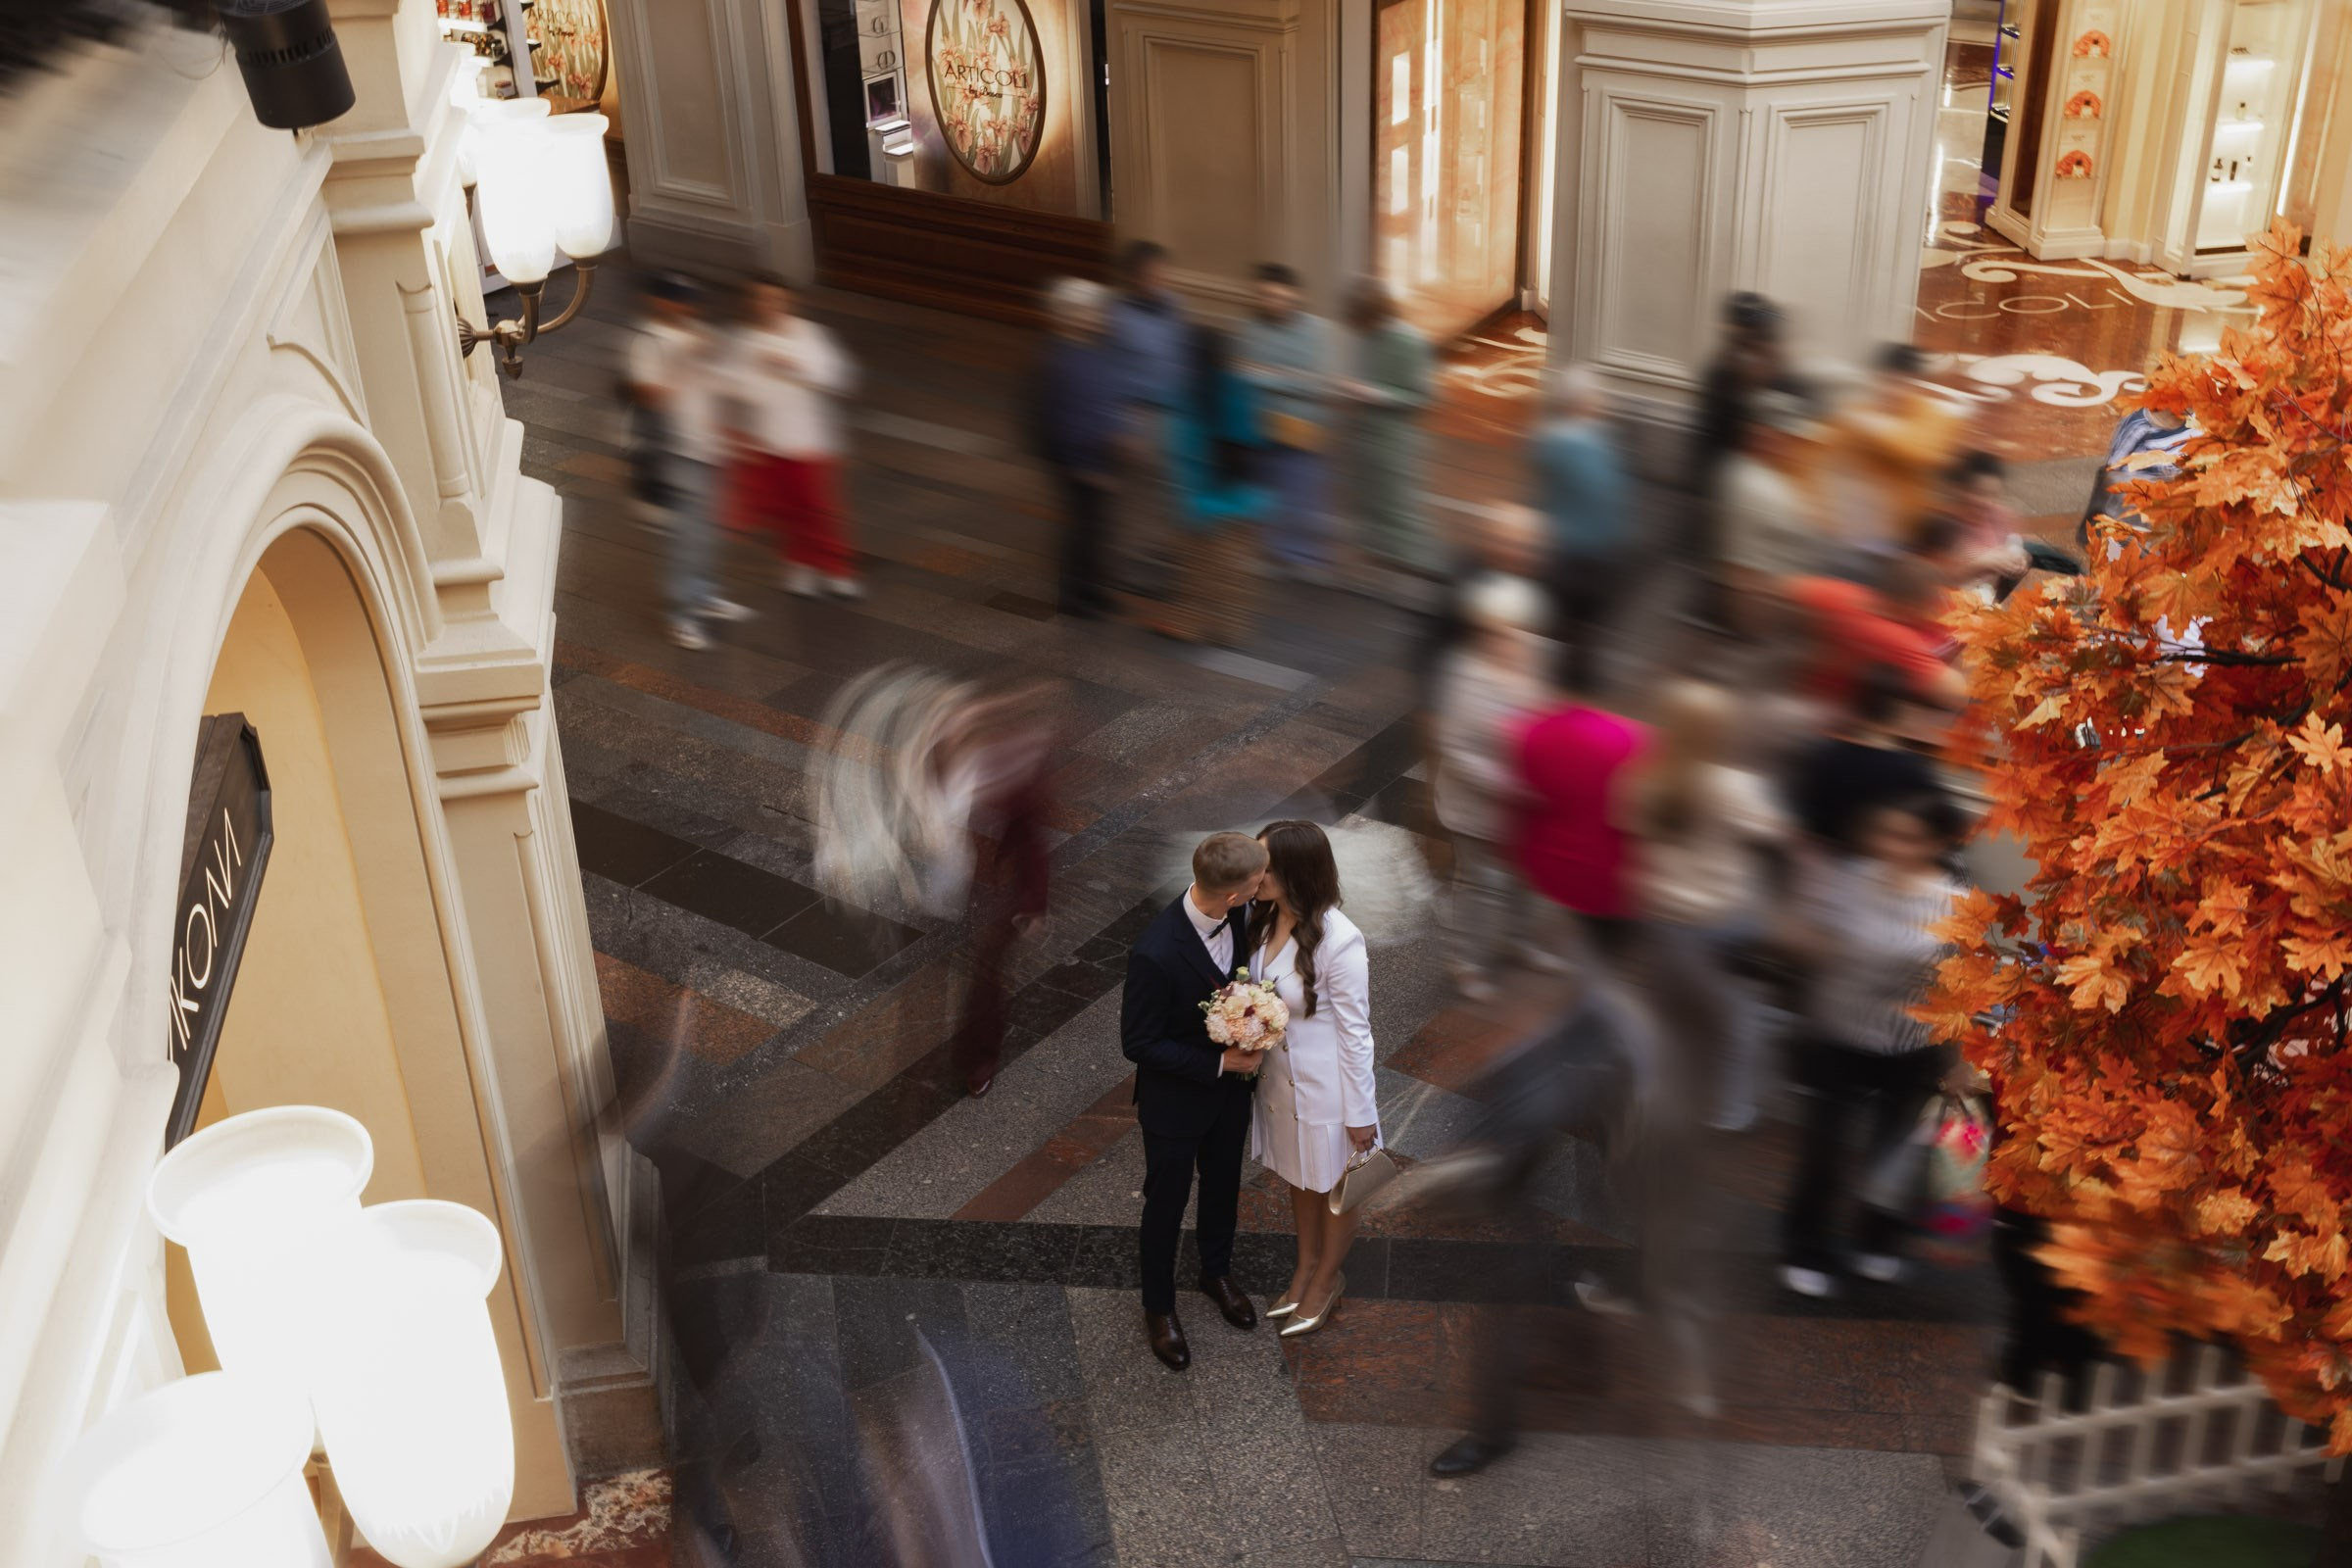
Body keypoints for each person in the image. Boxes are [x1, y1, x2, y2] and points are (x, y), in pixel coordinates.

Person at [1779, 792, 1968, 1298]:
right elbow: (1808, 942)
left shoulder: (1956, 902)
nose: (1890, 846)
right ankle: (1807, 1248)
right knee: (1826, 1145)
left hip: (1912, 1043)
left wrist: (1961, 1053)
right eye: (1884, 834)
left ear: (1935, 843)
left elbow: (1963, 981)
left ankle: (1877, 1240)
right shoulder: (1849, 881)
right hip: (1840, 1033)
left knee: (1894, 1150)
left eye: (1905, 837)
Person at [1121, 831, 1271, 1370]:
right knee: (1166, 1205)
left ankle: (1216, 1270)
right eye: (1258, 882)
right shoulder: (1155, 952)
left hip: (1228, 1099)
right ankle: (1158, 1308)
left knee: (1223, 1185)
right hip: (1175, 1105)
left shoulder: (1238, 917)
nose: (1263, 887)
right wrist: (1218, 1063)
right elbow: (1136, 1043)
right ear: (1233, 895)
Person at [1619, 677, 1791, 1134]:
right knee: (1740, 1020)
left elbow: (1626, 822)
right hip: (1722, 920)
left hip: (1660, 916)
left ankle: (1649, 1093)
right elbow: (1776, 832)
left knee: (1664, 1011)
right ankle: (1731, 1111)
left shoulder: (1643, 774)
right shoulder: (1731, 785)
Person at [1248, 821, 1381, 1339]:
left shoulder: (1340, 940)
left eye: (1268, 867)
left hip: (1329, 1091)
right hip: (1280, 1086)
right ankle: (1304, 1266)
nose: (1258, 875)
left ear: (1297, 873)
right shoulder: (1263, 917)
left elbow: (1356, 1034)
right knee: (1299, 1179)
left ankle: (1327, 1278)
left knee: (1335, 1188)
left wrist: (1361, 1113)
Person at [1434, 572, 1555, 1001]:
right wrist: (1508, 786)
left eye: (1517, 630)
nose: (1508, 640)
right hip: (1476, 808)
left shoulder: (1540, 653)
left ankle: (1521, 942)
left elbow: (1553, 710)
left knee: (1528, 877)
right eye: (1495, 631)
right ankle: (1466, 962)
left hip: (1531, 802)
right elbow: (1454, 745)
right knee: (1478, 886)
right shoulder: (1462, 674)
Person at [945, 683, 1059, 1099]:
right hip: (953, 876)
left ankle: (980, 1058)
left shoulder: (1016, 778)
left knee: (985, 977)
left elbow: (1031, 843)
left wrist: (1031, 902)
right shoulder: (946, 758)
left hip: (994, 888)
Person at [626, 274, 750, 651]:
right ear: (660, 302)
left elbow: (720, 386)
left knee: (707, 530)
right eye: (678, 300)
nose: (687, 308)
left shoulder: (698, 334)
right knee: (686, 538)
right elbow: (647, 395)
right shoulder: (647, 342)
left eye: (690, 301)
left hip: (708, 447)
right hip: (675, 454)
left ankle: (705, 594)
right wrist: (684, 362)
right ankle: (682, 615)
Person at [728, 274, 861, 601]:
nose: (769, 306)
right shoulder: (744, 341)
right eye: (761, 299)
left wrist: (795, 366)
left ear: (788, 302)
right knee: (787, 510)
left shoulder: (809, 335)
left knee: (817, 509)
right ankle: (799, 565)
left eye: (775, 299)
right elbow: (732, 386)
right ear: (752, 303)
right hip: (768, 443)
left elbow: (840, 378)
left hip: (810, 442)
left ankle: (836, 569)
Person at [1515, 664, 1648, 966]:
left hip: (1552, 855)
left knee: (1582, 932)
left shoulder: (1532, 731)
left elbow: (1528, 794)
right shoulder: (1632, 739)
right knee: (1607, 944)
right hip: (1612, 864)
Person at [1159, 326, 1271, 646]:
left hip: (1207, 496)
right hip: (1235, 496)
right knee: (1229, 571)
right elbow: (1250, 444)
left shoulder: (1196, 392)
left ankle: (1193, 625)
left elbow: (1191, 448)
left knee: (1199, 569)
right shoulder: (1235, 388)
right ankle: (1227, 629)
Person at [1028, 276, 1125, 619]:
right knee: (1081, 532)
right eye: (1090, 311)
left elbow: (1104, 399)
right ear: (1069, 315)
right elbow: (1059, 423)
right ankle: (1074, 599)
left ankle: (1094, 590)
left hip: (1099, 456)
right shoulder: (1056, 360)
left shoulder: (1092, 350)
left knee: (1098, 529)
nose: (1099, 316)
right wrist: (1083, 468)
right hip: (1078, 463)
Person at [1531, 364, 1630, 693]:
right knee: (1574, 622)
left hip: (1588, 548)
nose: (1604, 400)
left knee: (1580, 623)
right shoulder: (1568, 442)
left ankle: (1574, 676)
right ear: (1581, 400)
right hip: (1575, 549)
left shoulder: (1589, 437)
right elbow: (1598, 491)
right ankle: (1570, 682)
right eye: (1598, 395)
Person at [1236, 262, 1338, 581]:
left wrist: (1270, 376)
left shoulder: (1316, 330)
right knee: (1268, 492)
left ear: (1295, 295)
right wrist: (1286, 376)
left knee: (1304, 495)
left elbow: (1318, 383)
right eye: (1264, 295)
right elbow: (1242, 373)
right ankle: (1277, 553)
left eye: (1278, 296)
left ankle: (1307, 557)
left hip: (1303, 427)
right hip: (1263, 425)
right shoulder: (1249, 328)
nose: (1271, 302)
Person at [1336, 278, 1438, 581]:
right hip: (1365, 433)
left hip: (1396, 438)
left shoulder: (1410, 341)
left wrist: (1373, 393)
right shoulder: (1366, 337)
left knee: (1398, 506)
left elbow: (1424, 397)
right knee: (1370, 501)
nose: (1358, 329)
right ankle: (1380, 560)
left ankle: (1420, 567)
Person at [1789, 662, 1947, 856]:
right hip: (1874, 869)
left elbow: (1799, 808)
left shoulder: (1823, 752)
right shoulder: (1910, 768)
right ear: (1901, 710)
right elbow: (1946, 823)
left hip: (1812, 862)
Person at [1108, 240, 1190, 587]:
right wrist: (1122, 426)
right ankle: (1131, 563)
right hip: (1136, 414)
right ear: (1133, 278)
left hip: (1174, 411)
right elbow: (1109, 374)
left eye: (1162, 273)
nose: (1160, 280)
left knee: (1168, 489)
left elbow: (1181, 353)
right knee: (1135, 494)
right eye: (1151, 275)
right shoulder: (1115, 316)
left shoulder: (1173, 304)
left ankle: (1162, 554)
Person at [1717, 393, 1826, 641]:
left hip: (1795, 598)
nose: (1798, 445)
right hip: (1774, 611)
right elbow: (1740, 575)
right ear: (1764, 436)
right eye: (1791, 438)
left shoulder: (1773, 473)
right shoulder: (1748, 485)